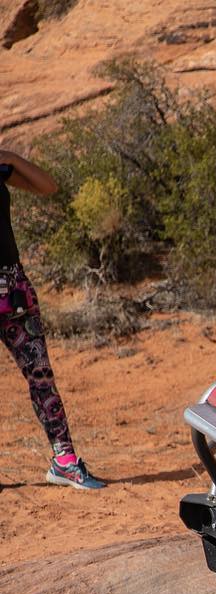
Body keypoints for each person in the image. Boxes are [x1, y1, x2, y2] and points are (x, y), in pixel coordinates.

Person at [0, 147, 104, 489]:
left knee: (40, 375)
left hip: (12, 288)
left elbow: (48, 186)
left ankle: (65, 461)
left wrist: (10, 158)